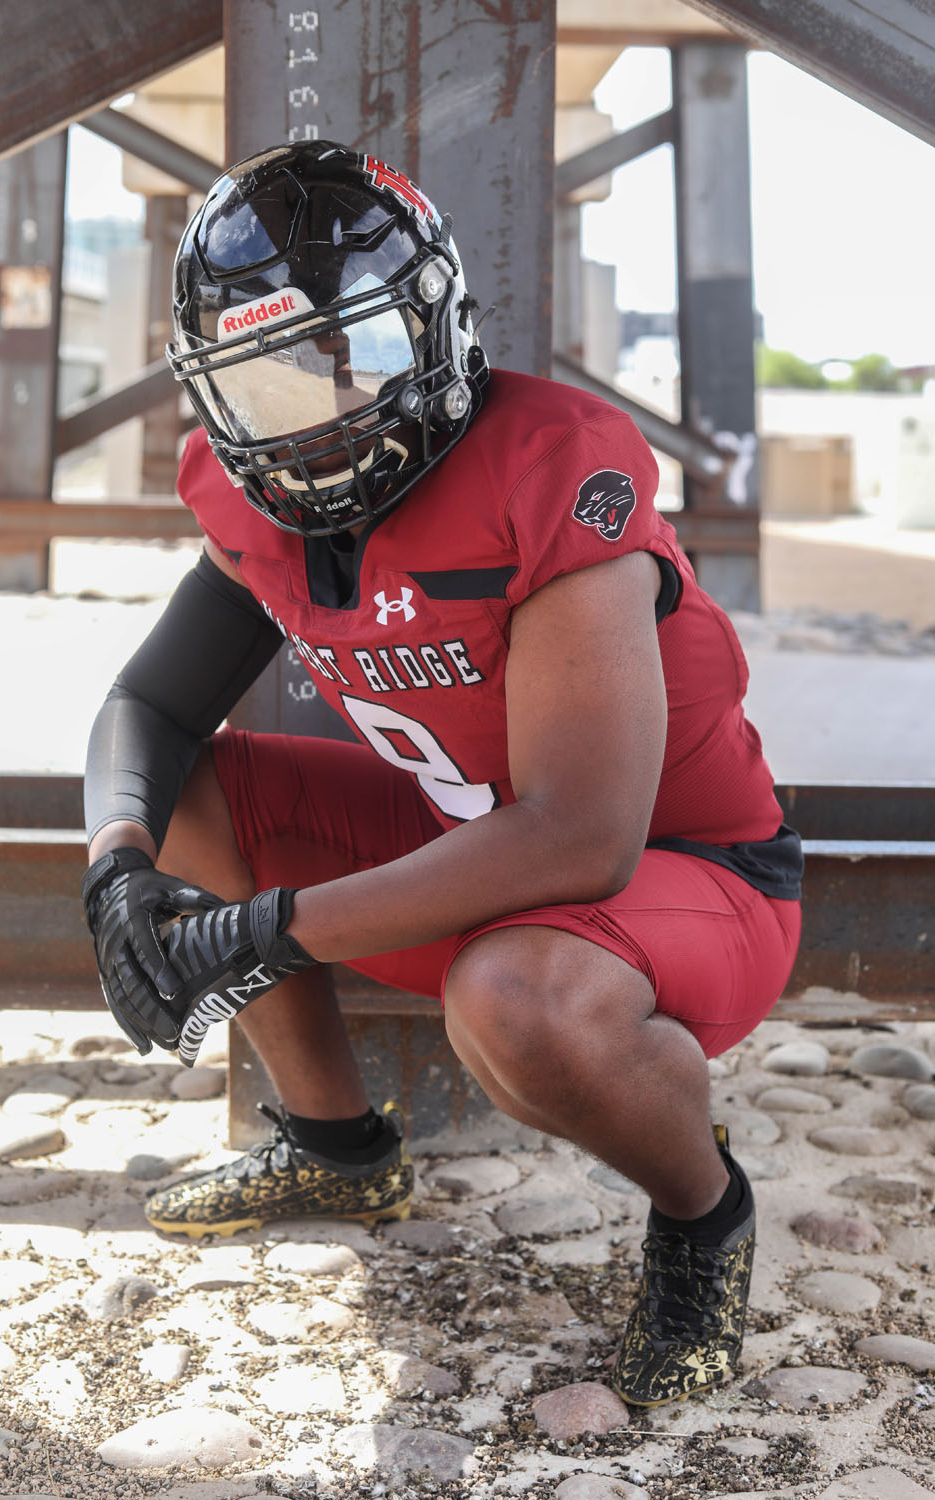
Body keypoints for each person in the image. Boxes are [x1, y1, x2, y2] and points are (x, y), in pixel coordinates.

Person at [80, 140, 802, 1409]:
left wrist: (258, 935)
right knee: (180, 792)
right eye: (263, 381)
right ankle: (334, 1146)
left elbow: (583, 836)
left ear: (434, 325)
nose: (316, 413)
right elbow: (148, 704)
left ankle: (703, 1215)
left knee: (514, 996)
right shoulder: (253, 501)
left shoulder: (552, 468)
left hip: (690, 883)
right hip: (465, 842)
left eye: (340, 352)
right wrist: (115, 874)